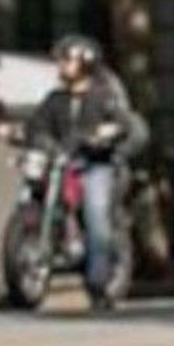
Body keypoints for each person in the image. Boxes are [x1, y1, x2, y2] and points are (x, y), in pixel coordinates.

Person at [19, 35, 147, 311]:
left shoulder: (104, 98)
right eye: (61, 60)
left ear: (85, 63)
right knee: (33, 192)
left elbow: (123, 125)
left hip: (94, 164)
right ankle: (43, 247)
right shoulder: (55, 100)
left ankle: (99, 282)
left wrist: (106, 135)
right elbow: (37, 126)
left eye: (67, 60)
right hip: (61, 165)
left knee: (96, 212)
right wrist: (25, 135)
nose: (61, 66)